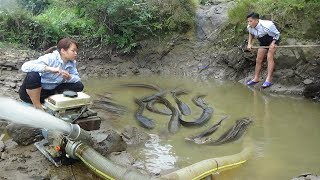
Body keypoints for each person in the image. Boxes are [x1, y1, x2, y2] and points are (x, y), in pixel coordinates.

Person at [19, 38, 84, 110]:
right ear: (63, 51)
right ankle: (37, 105)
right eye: (73, 51)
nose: (76, 53)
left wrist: (69, 77)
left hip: (49, 93)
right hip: (31, 95)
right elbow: (25, 66)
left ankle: (54, 101)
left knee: (79, 85)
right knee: (32, 75)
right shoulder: (50, 58)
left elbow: (77, 78)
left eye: (76, 51)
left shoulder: (71, 63)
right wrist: (49, 69)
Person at [246, 12, 280, 88]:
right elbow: (251, 33)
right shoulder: (250, 26)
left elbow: (277, 34)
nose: (249, 23)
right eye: (248, 21)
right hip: (263, 41)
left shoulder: (267, 25)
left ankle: (268, 80)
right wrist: (249, 43)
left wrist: (273, 43)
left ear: (256, 20)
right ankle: (256, 78)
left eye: (250, 21)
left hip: (273, 39)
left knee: (269, 57)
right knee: (258, 59)